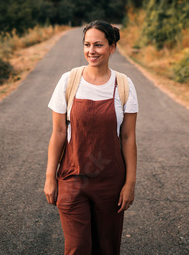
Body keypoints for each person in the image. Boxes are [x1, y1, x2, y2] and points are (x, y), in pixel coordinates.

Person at [44, 20, 138, 255]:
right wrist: (49, 177)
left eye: (98, 45)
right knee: (77, 248)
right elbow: (58, 132)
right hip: (72, 179)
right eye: (87, 44)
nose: (91, 51)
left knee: (107, 248)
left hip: (110, 184)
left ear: (112, 48)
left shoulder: (124, 85)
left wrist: (130, 183)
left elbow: (128, 137)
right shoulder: (69, 81)